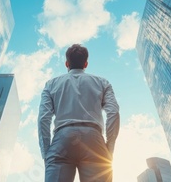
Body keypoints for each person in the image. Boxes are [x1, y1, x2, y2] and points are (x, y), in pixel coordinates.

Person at [38, 44, 120, 182]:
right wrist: (109, 147)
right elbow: (114, 112)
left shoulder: (51, 84)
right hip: (94, 139)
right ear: (86, 64)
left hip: (62, 140)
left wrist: (47, 153)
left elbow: (43, 119)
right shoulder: (103, 83)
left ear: (67, 63)